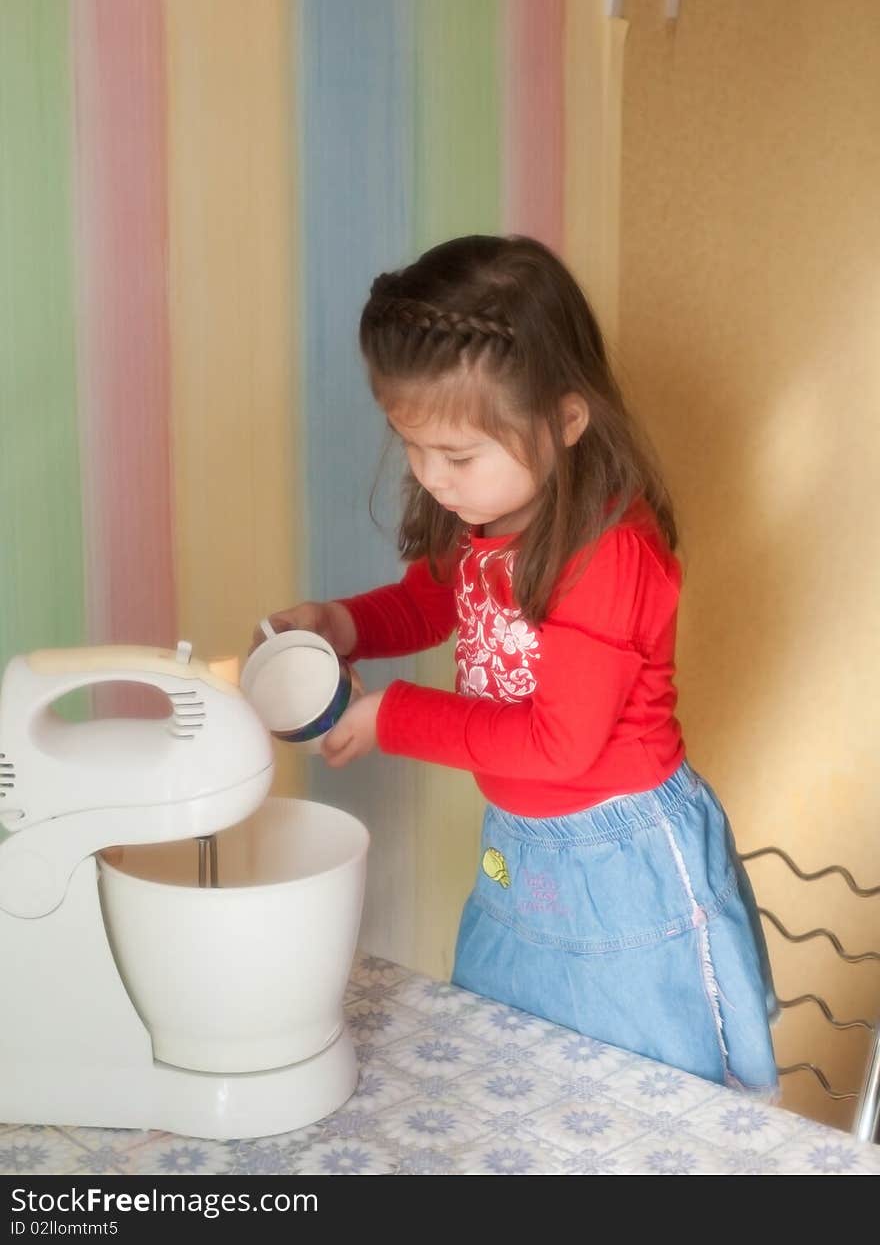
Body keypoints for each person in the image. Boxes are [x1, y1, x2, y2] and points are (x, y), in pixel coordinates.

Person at [257, 234, 778, 1093]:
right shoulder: (488, 514)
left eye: (457, 456)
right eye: (412, 445)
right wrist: (341, 623)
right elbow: (436, 600)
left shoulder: (610, 555)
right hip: (521, 844)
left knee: (640, 1098)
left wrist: (390, 718)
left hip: (623, 860)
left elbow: (558, 745)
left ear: (567, 421)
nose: (432, 478)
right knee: (513, 1068)